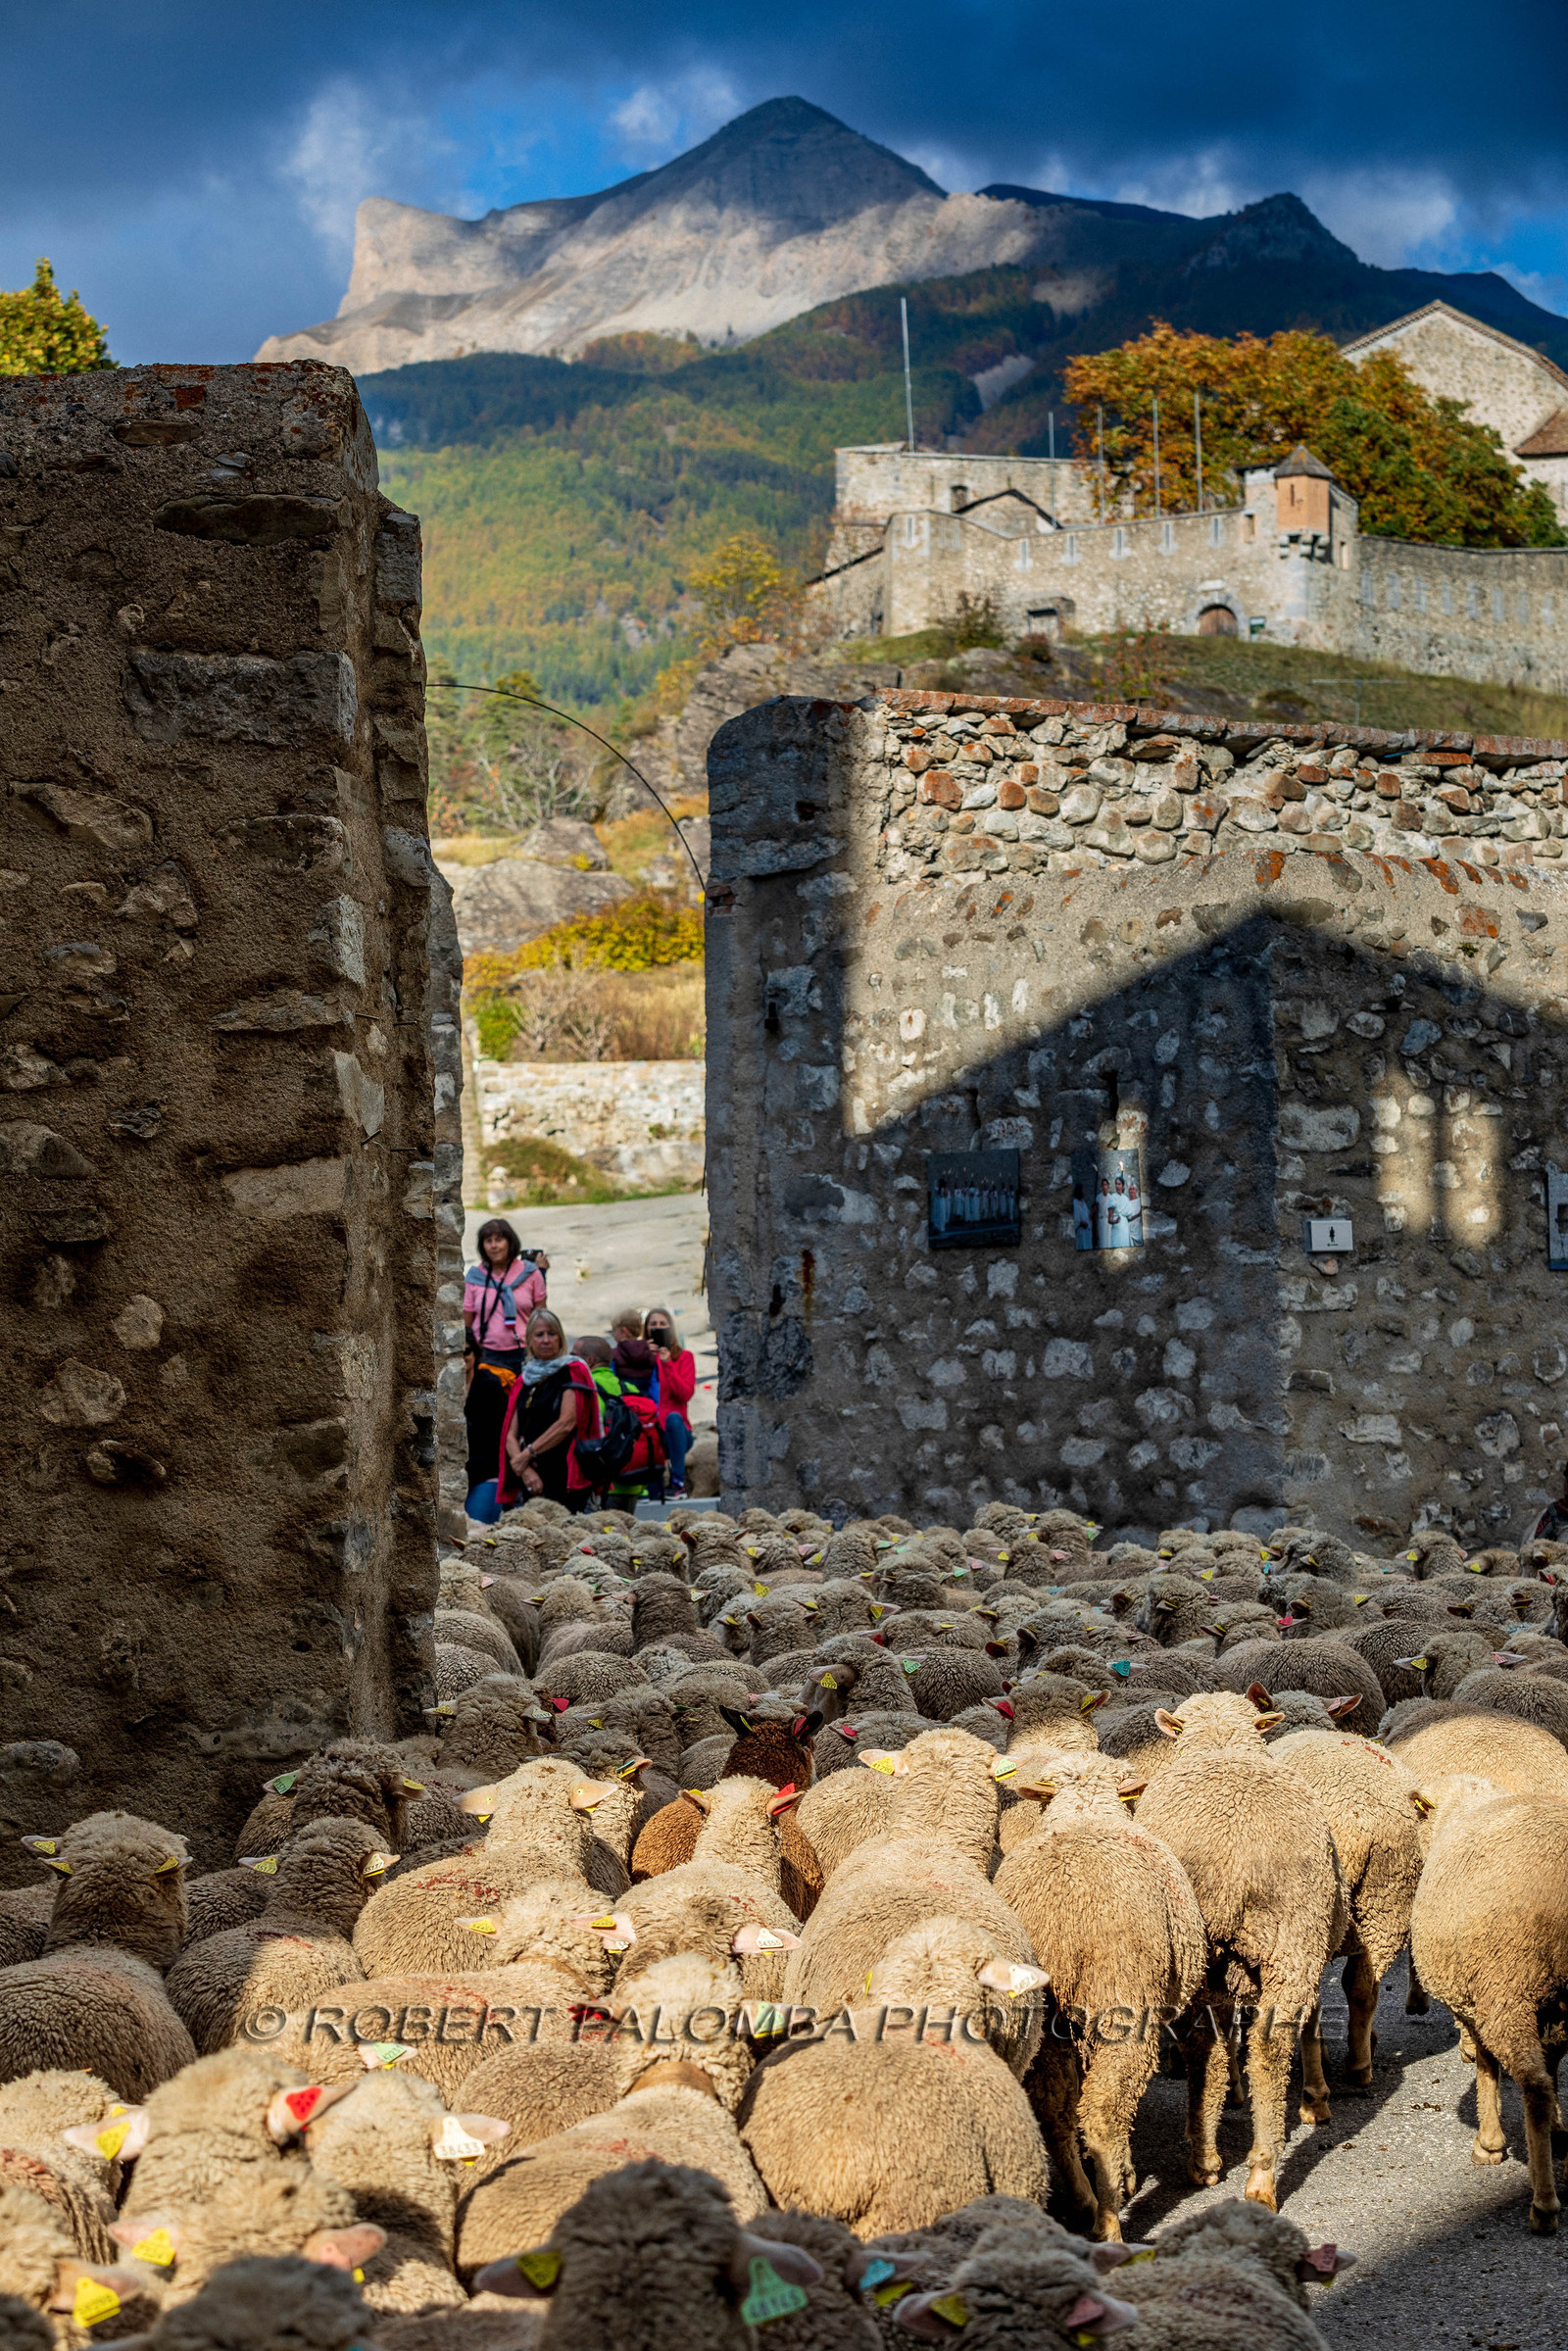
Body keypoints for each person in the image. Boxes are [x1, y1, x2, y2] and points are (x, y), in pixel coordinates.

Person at [468, 1307, 600, 1522]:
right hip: (532, 1475)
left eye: (551, 1334)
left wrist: (527, 1454)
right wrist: (525, 1469)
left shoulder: (572, 1370)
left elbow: (567, 1423)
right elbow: (510, 1433)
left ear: (560, 1338)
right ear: (529, 1340)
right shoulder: (525, 1379)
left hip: (565, 1472)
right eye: (539, 1335)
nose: (546, 1340)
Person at [462, 1219, 548, 1505]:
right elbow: (468, 1320)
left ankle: (530, 1469)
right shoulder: (475, 1277)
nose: (494, 1245)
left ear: (511, 1242)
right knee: (494, 1421)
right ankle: (499, 1477)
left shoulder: (531, 1274)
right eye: (488, 1241)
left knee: (527, 1416)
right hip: (488, 1357)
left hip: (523, 1355)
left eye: (499, 1239)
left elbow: (540, 1316)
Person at [643, 1303, 697, 1498]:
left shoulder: (685, 1358)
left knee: (674, 1418)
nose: (658, 1327)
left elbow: (684, 1394)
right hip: (651, 1430)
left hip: (678, 1431)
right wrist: (645, 1357)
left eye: (663, 1324)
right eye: (653, 1324)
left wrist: (667, 1364)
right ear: (646, 1328)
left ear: (671, 1328)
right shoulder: (642, 1358)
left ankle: (678, 1482)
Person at [610, 1307, 660, 1399]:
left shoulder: (614, 1355)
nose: (612, 1335)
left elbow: (611, 1383)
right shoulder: (650, 1355)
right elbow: (655, 1385)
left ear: (624, 1331)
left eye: (614, 1330)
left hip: (624, 1406)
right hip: (646, 1404)